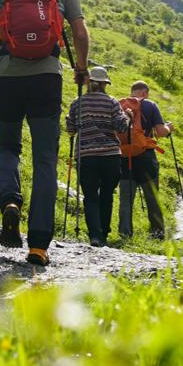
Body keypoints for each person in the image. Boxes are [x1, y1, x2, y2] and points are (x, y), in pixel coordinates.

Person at [0, 0, 89, 267]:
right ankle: (38, 245)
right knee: (45, 158)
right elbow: (80, 33)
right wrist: (81, 68)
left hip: (6, 76)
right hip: (46, 76)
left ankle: (11, 202)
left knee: (8, 146)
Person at [66, 65, 129, 247]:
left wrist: (71, 122)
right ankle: (104, 234)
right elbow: (121, 127)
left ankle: (95, 234)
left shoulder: (78, 102)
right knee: (107, 194)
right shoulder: (112, 102)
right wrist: (127, 117)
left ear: (89, 83)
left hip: (87, 156)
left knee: (91, 196)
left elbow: (71, 130)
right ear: (104, 84)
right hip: (110, 156)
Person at [118, 80, 174, 241]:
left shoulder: (121, 105)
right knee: (152, 196)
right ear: (144, 93)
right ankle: (157, 233)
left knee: (126, 198)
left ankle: (125, 233)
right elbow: (161, 132)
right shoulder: (150, 105)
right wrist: (170, 127)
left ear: (132, 91)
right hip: (146, 157)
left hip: (125, 157)